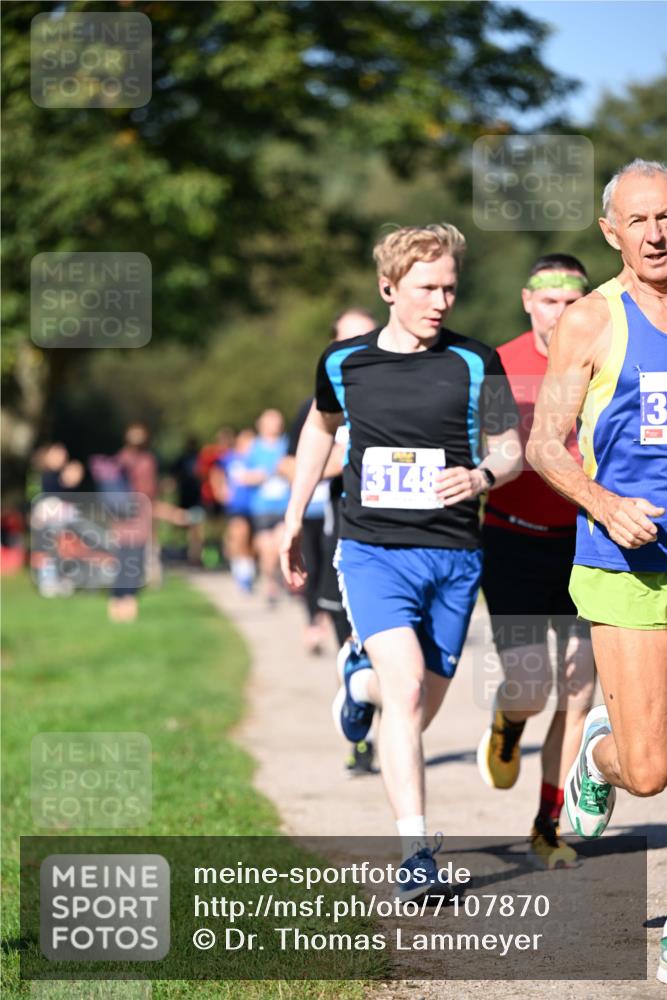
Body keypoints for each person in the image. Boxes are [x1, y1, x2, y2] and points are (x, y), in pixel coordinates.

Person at [281, 224, 522, 899]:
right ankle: (415, 854)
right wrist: (290, 517)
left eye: (449, 287)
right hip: (371, 551)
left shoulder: (478, 362)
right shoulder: (342, 363)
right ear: (388, 288)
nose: (440, 301)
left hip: (454, 556)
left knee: (414, 708)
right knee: (408, 689)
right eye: (425, 289)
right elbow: (316, 431)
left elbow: (511, 448)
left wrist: (480, 476)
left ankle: (357, 685)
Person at [526, 160, 667, 849]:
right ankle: (596, 754)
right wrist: (604, 504)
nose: (655, 233)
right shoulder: (589, 320)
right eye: (638, 220)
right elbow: (544, 446)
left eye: (665, 217)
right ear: (611, 232)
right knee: (646, 773)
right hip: (625, 562)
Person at [476, 253, 596, 869]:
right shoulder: (497, 364)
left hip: (588, 543)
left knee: (578, 692)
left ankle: (547, 825)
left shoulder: (606, 359)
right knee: (531, 685)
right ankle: (508, 721)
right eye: (551, 301)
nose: (562, 313)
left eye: (575, 301)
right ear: (528, 300)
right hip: (512, 540)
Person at [282, 308, 378, 774]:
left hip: (407, 529)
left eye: (368, 334)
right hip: (342, 520)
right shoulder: (320, 400)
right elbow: (289, 462)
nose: (360, 343)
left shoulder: (395, 390)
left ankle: (373, 704)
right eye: (349, 337)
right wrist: (344, 461)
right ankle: (363, 735)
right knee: (351, 633)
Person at [245, 409, 290, 604]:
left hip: (284, 506)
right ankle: (270, 579)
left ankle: (276, 579)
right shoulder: (253, 448)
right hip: (261, 507)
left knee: (280, 544)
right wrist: (260, 476)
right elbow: (243, 476)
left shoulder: (287, 444)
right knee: (266, 549)